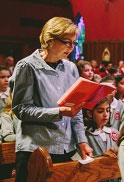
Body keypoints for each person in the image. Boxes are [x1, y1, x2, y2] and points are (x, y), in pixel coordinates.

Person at [10, 17, 92, 181]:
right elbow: (20, 109)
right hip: (35, 149)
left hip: (65, 147)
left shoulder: (70, 68)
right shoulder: (27, 66)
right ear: (49, 40)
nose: (71, 47)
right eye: (66, 42)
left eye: (73, 43)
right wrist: (57, 112)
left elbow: (76, 112)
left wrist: (82, 141)